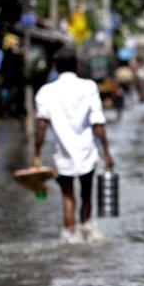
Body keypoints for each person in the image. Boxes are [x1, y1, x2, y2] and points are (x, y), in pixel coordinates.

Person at [33, 47, 114, 243]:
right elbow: (98, 123)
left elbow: (41, 126)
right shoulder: (89, 87)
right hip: (87, 152)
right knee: (87, 194)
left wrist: (36, 154)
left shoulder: (45, 91)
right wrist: (106, 152)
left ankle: (70, 237)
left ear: (55, 66)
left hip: (63, 155)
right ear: (78, 66)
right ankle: (85, 228)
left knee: (67, 197)